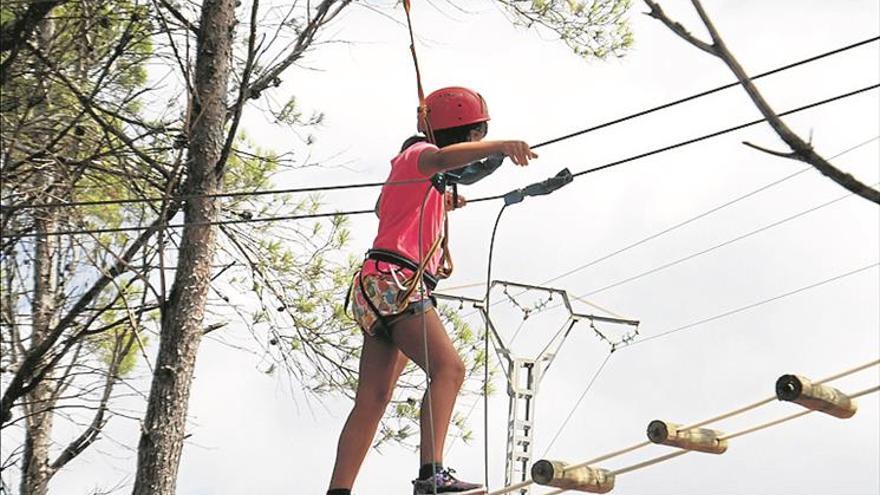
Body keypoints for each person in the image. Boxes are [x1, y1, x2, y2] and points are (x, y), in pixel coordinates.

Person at [327, 87, 538, 495]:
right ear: (459, 134)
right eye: (475, 139)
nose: (478, 148)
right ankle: (432, 475)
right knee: (450, 369)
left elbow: (386, 207)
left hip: (379, 285)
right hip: (397, 280)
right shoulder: (419, 155)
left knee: (374, 396)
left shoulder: (418, 173)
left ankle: (339, 491)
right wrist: (505, 146)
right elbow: (441, 159)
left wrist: (435, 196)